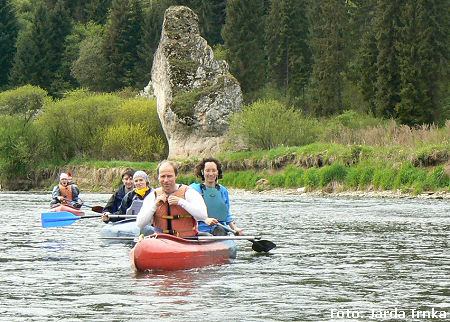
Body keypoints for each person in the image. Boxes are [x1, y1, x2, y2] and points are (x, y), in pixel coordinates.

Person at [136, 160, 207, 237]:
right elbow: (140, 224)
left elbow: (203, 216)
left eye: (169, 176)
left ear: (176, 176)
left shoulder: (189, 193)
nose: (166, 180)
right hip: (161, 241)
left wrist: (180, 202)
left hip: (187, 240)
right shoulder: (153, 196)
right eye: (163, 176)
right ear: (158, 177)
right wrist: (155, 205)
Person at [190, 157, 244, 236]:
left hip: (219, 227)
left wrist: (234, 228)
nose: (211, 174)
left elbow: (226, 213)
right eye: (207, 170)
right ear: (202, 172)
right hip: (201, 228)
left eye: (213, 170)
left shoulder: (223, 190)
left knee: (219, 230)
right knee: (205, 234)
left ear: (217, 172)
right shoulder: (194, 189)